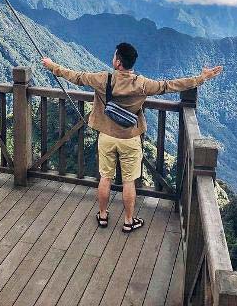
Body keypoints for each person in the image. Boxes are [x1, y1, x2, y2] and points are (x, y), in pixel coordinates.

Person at [41, 43, 223, 233]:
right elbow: (170, 85)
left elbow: (75, 76)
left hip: (107, 136)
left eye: (114, 57)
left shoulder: (103, 79)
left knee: (105, 177)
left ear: (118, 62)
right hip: (130, 138)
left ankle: (102, 215)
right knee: (129, 181)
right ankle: (129, 220)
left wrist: (51, 64)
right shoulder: (142, 83)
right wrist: (201, 78)